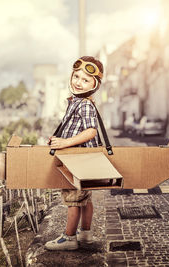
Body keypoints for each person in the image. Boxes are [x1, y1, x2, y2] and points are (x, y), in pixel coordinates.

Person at [44, 56, 104, 250]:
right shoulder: (76, 102)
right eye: (76, 76)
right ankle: (85, 234)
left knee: (73, 199)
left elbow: (91, 131)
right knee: (85, 199)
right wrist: (57, 140)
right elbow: (74, 128)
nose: (78, 82)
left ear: (95, 84)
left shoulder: (85, 104)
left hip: (78, 160)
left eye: (86, 80)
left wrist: (66, 142)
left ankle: (69, 238)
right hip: (83, 159)